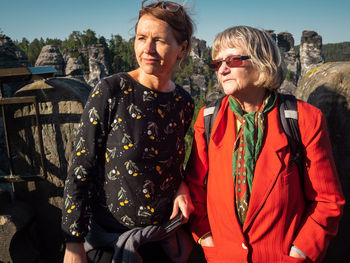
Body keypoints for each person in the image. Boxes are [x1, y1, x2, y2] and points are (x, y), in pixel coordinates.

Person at [185, 25, 345, 263]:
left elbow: (327, 201)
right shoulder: (208, 117)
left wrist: (300, 253)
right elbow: (194, 188)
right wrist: (206, 238)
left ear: (262, 61)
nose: (223, 69)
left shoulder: (304, 119)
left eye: (233, 60)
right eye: (216, 64)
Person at [61, 1, 196, 262]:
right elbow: (80, 168)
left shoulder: (183, 102)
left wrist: (181, 185)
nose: (147, 48)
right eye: (141, 37)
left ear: (182, 48)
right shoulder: (112, 91)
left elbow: (170, 161)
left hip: (160, 239)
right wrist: (73, 242)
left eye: (159, 40)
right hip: (107, 241)